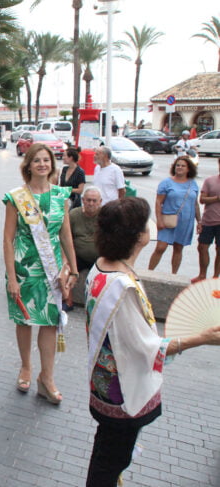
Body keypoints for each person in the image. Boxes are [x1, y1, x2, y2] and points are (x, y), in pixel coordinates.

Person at [84, 197, 220, 486]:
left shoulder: (101, 265)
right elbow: (149, 348)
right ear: (139, 236)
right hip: (121, 391)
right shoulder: (123, 286)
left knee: (106, 453)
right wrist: (202, 338)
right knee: (110, 461)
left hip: (102, 381)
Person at [3, 142, 77, 403]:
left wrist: (72, 269)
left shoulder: (61, 196)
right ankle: (26, 366)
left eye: (46, 160)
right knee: (24, 320)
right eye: (37, 160)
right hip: (25, 270)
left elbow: (66, 235)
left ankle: (47, 378)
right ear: (28, 165)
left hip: (53, 271)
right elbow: (8, 240)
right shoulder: (16, 198)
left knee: (49, 322)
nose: (42, 164)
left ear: (52, 164)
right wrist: (12, 277)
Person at [148, 157, 200, 274]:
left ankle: (174, 275)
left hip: (185, 222)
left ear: (188, 169)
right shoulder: (166, 183)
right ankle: (149, 273)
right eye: (178, 165)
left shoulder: (193, 183)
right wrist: (159, 220)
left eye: (183, 166)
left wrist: (199, 221)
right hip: (168, 221)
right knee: (161, 247)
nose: (179, 168)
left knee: (178, 248)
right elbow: (158, 202)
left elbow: (195, 204)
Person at [193, 158, 220, 283]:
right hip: (209, 220)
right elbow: (202, 199)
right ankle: (202, 275)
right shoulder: (210, 181)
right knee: (202, 247)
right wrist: (217, 198)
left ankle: (215, 277)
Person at [69, 186, 103, 273]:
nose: (91, 203)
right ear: (83, 200)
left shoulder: (106, 215)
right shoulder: (73, 215)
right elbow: (66, 238)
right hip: (78, 259)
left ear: (100, 201)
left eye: (94, 201)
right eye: (88, 200)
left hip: (101, 260)